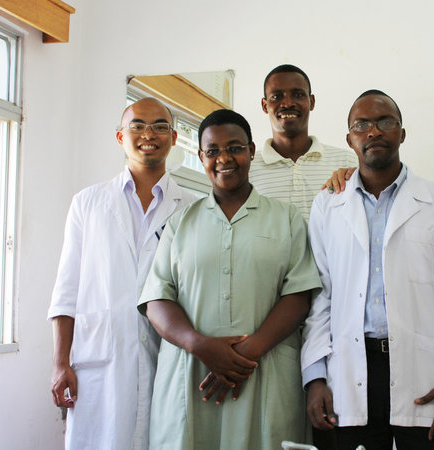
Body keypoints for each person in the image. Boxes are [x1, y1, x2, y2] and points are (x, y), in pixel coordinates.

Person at [138, 109, 322, 449]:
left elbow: (298, 295)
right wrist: (200, 345)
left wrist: (242, 356)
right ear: (201, 156)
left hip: (264, 373)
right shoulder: (181, 223)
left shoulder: (286, 218)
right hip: (192, 375)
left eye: (235, 148)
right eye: (213, 151)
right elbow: (156, 299)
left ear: (251, 151)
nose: (224, 158)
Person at [301, 90, 434, 450]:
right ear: (350, 139)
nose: (373, 132)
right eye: (362, 125)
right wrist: (315, 376)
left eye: (384, 122)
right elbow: (320, 297)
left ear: (402, 133)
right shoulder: (328, 205)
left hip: (422, 372)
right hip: (350, 371)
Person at [48, 97, 197, 449]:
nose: (149, 134)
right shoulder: (88, 203)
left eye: (161, 126)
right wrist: (59, 363)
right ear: (120, 137)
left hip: (168, 357)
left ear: (174, 138)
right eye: (138, 126)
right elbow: (66, 290)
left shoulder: (192, 208)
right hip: (100, 360)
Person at [250, 64, 358, 220]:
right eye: (276, 96)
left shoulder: (346, 162)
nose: (287, 103)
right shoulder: (249, 170)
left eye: (298, 95)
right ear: (265, 105)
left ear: (312, 101)